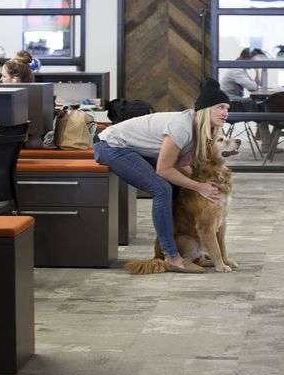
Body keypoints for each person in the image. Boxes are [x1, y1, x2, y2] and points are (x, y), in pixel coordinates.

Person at [94, 78, 229, 274]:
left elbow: (181, 164)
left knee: (176, 186)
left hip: (134, 149)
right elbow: (164, 170)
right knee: (162, 188)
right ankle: (171, 256)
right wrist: (199, 187)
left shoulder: (204, 130)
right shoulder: (183, 126)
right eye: (220, 107)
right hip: (111, 145)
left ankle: (185, 249)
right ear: (206, 110)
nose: (226, 112)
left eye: (227, 108)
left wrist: (203, 185)